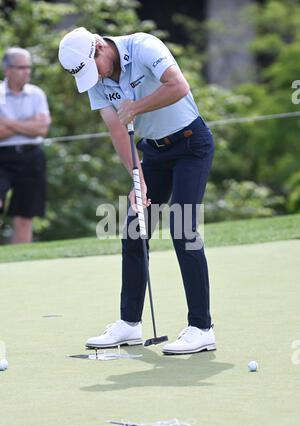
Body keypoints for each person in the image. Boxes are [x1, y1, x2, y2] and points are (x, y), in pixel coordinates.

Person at [58, 27, 216, 355]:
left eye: (95, 67)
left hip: (190, 144)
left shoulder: (144, 46)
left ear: (100, 47)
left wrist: (137, 107)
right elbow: (116, 129)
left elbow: (178, 86)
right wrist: (137, 178)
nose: (96, 76)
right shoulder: (96, 80)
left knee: (183, 229)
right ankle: (129, 324)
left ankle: (202, 328)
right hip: (153, 154)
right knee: (134, 230)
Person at [0, 48, 51, 244]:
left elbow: (43, 128)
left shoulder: (37, 94)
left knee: (24, 216)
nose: (27, 71)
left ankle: (20, 260)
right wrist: (28, 123)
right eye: (21, 67)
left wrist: (8, 123)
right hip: (2, 156)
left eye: (28, 67)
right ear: (8, 70)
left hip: (31, 156)